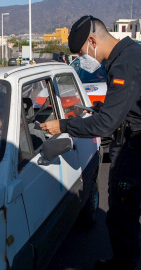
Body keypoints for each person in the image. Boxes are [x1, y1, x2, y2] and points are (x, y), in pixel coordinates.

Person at [40, 15, 141, 270]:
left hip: (135, 148)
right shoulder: (129, 54)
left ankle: (126, 265)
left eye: (83, 51)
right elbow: (126, 106)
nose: (85, 57)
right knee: (122, 214)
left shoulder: (125, 64)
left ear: (93, 41)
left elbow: (106, 124)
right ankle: (122, 261)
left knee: (123, 213)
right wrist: (103, 107)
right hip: (130, 141)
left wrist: (63, 126)